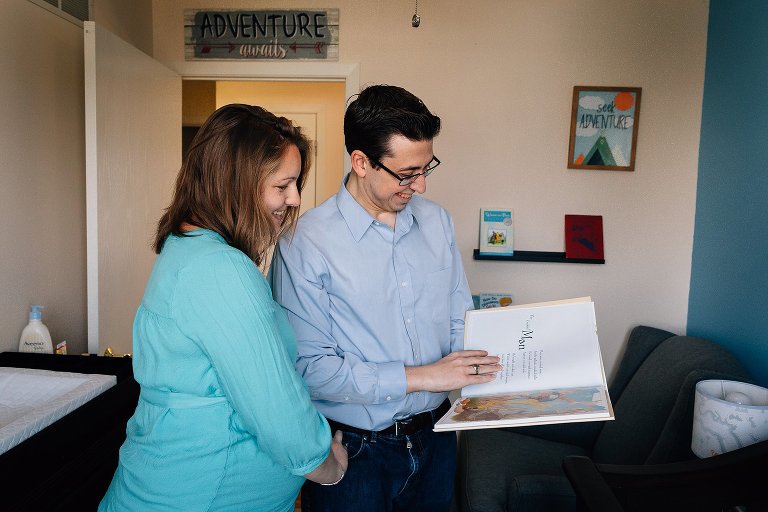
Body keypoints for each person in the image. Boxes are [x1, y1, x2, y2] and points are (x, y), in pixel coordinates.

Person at [99, 104, 347, 512]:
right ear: (237, 183)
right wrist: (328, 464)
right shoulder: (221, 270)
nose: (295, 198)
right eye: (283, 185)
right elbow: (277, 409)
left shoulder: (187, 250)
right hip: (200, 496)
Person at [271, 85, 501, 512]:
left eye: (426, 167)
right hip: (354, 452)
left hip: (437, 439)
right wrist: (425, 376)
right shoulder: (305, 243)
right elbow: (311, 370)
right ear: (361, 162)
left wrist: (509, 379)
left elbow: (460, 322)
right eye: (407, 173)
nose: (422, 185)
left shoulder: (437, 223)